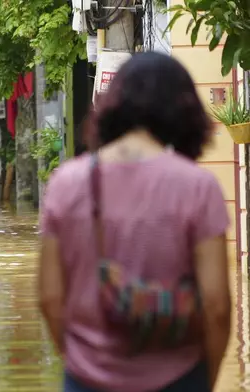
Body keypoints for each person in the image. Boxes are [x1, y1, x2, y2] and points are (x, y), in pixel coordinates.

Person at [38, 52, 231, 392]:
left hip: (86, 378)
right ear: (185, 110)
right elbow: (216, 306)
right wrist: (207, 379)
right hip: (181, 377)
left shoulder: (65, 183)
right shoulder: (198, 187)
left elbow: (49, 298)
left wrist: (83, 364)